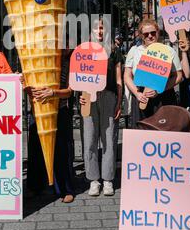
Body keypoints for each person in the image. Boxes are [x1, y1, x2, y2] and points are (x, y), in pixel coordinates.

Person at [25, 47, 75, 203]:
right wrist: (29, 90)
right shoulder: (39, 58)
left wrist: (53, 93)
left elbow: (70, 91)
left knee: (61, 150)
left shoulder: (70, 61)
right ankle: (35, 186)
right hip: (38, 109)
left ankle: (65, 189)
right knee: (35, 148)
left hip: (60, 110)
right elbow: (28, 85)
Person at [80, 17, 123, 197]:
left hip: (109, 96)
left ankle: (107, 180)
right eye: (96, 28)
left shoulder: (114, 51)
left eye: (102, 28)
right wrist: (81, 97)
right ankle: (93, 180)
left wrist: (119, 102)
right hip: (89, 96)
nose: (99, 31)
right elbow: (78, 77)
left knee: (109, 140)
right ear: (91, 31)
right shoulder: (83, 51)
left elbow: (119, 80)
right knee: (89, 139)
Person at [124, 19, 183, 128]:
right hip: (140, 95)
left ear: (158, 32)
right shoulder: (134, 50)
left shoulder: (169, 51)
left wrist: (161, 89)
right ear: (141, 35)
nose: (150, 36)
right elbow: (127, 76)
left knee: (163, 131)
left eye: (153, 33)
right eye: (146, 34)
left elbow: (178, 75)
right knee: (141, 131)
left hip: (163, 96)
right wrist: (137, 94)